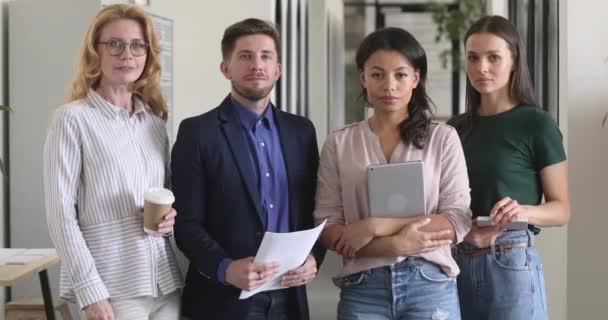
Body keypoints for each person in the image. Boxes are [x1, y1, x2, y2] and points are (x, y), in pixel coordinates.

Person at [171, 18, 324, 320]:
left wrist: (314, 257)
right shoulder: (197, 133)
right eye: (245, 56)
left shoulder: (301, 132)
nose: (257, 65)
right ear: (225, 68)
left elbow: (315, 211)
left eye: (266, 56)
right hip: (223, 300)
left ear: (278, 69)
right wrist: (225, 268)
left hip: (289, 297)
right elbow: (186, 224)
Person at [313, 27, 472, 320]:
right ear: (362, 77)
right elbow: (328, 225)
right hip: (363, 288)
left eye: (400, 74)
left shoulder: (443, 138)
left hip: (430, 285)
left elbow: (456, 219)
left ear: (416, 78)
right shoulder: (339, 142)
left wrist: (373, 226)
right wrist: (395, 245)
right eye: (377, 74)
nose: (389, 85)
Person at [43, 4, 183, 320]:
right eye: (115, 44)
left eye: (137, 45)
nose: (127, 55)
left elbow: (167, 194)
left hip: (164, 282)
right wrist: (90, 291)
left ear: (148, 54)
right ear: (96, 52)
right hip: (111, 286)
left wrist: (169, 218)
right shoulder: (72, 119)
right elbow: (60, 215)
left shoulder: (154, 122)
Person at [447, 15, 570, 320]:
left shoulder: (537, 124)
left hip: (510, 259)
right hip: (455, 259)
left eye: (493, 57)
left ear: (514, 62)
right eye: (473, 58)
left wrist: (522, 212)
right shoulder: (454, 129)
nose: (481, 67)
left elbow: (562, 210)